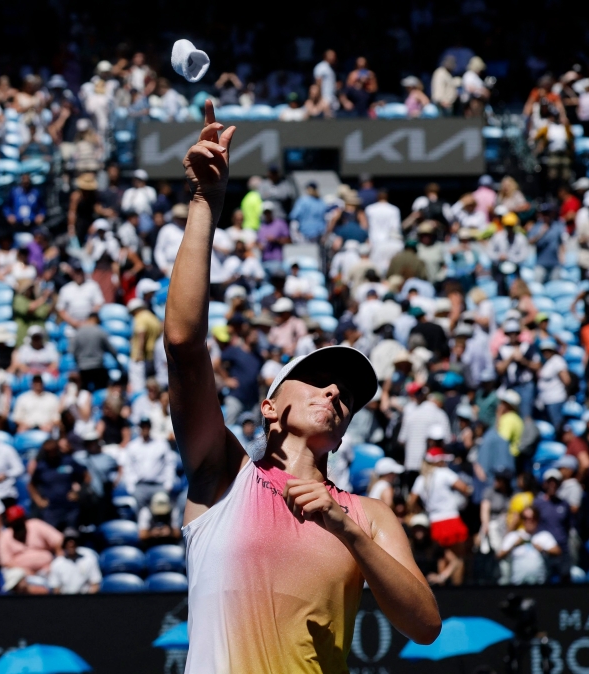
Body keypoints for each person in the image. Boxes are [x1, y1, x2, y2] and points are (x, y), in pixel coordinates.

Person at [164, 101, 441, 670]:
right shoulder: (222, 476)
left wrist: (348, 531)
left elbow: (425, 626)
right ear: (270, 407)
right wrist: (204, 205)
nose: (335, 394)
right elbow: (184, 344)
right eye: (316, 380)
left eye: (347, 395)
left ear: (341, 438)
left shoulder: (367, 515)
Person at [408, 441, 472, 586]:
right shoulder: (444, 473)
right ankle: (457, 590)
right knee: (458, 558)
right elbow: (464, 488)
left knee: (442, 558)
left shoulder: (421, 478)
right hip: (451, 518)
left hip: (434, 522)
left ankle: (442, 590)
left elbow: (411, 500)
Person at [29, 439, 87, 529]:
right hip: (51, 510)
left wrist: (79, 492)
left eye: (54, 450)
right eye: (49, 452)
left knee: (71, 537)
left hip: (70, 508)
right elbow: (31, 485)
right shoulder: (41, 467)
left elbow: (86, 476)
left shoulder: (68, 461)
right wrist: (38, 500)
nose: (52, 454)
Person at [497, 506, 560, 585]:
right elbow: (499, 555)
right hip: (517, 584)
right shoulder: (514, 536)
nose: (528, 521)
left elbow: (558, 552)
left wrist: (543, 549)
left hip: (540, 585)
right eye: (525, 518)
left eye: (532, 518)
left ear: (537, 519)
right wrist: (513, 546)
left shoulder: (544, 536)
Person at [0, 505, 64, 575]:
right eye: (14, 523)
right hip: (23, 576)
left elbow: (58, 539)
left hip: (49, 569)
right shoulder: (5, 536)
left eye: (19, 521)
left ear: (24, 519)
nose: (18, 524)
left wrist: (59, 560)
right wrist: (26, 572)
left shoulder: (35, 524)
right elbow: (5, 562)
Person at [48, 528, 102, 594]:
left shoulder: (89, 560)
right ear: (64, 544)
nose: (71, 544)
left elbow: (95, 585)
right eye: (68, 541)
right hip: (65, 600)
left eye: (74, 540)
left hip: (85, 599)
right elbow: (56, 588)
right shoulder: (57, 563)